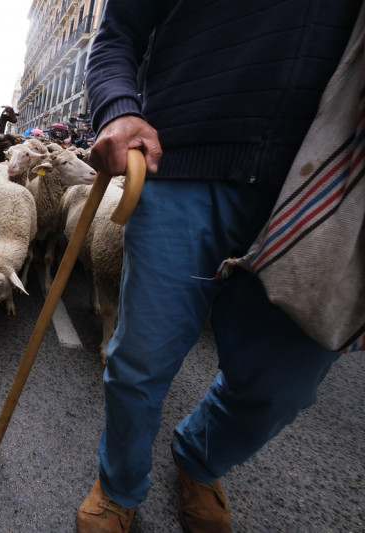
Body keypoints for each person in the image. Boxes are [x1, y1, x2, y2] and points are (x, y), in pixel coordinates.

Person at [76, 2, 361, 533]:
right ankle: (119, 484)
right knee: (140, 356)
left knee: (285, 384)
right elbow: (118, 33)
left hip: (323, 193)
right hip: (181, 165)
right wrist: (117, 107)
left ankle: (200, 454)